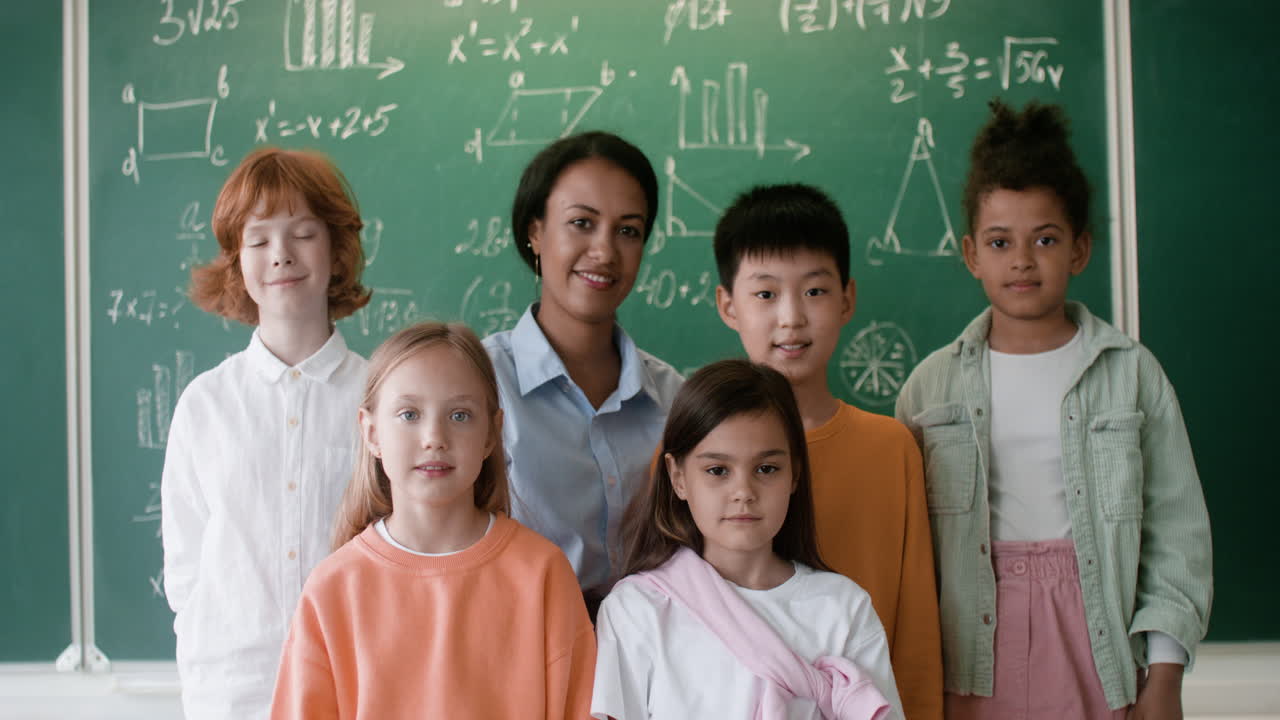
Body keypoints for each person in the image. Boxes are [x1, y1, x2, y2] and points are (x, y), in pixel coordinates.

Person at [895, 99, 1213, 718]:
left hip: (1098, 638)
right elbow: (908, 551)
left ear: (1079, 249)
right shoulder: (929, 389)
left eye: (1044, 239)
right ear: (971, 254)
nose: (1021, 260)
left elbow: (1178, 532)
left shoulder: (1130, 374)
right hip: (970, 645)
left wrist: (1166, 675)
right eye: (999, 241)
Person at [271, 322, 595, 719]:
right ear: (371, 433)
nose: (434, 437)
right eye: (409, 414)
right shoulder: (334, 588)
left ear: (492, 434)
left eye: (460, 415)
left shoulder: (543, 574)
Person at [713, 182, 943, 718]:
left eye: (814, 291)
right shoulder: (693, 457)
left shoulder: (892, 450)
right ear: (728, 305)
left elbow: (915, 638)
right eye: (765, 294)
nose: (791, 317)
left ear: (848, 299)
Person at [161, 147, 371, 720]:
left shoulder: (381, 396)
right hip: (232, 694)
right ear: (238, 262)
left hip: (357, 684)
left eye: (303, 233)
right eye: (257, 240)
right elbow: (185, 567)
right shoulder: (205, 404)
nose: (280, 255)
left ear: (336, 251)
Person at [593, 359, 904, 720]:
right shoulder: (637, 609)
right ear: (677, 477)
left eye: (766, 469)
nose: (743, 491)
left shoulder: (844, 608)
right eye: (717, 471)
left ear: (794, 475)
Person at [483, 131, 683, 617]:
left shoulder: (676, 399)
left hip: (651, 672)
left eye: (628, 230)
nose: (605, 251)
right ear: (535, 232)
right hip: (520, 662)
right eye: (581, 223)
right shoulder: (478, 383)